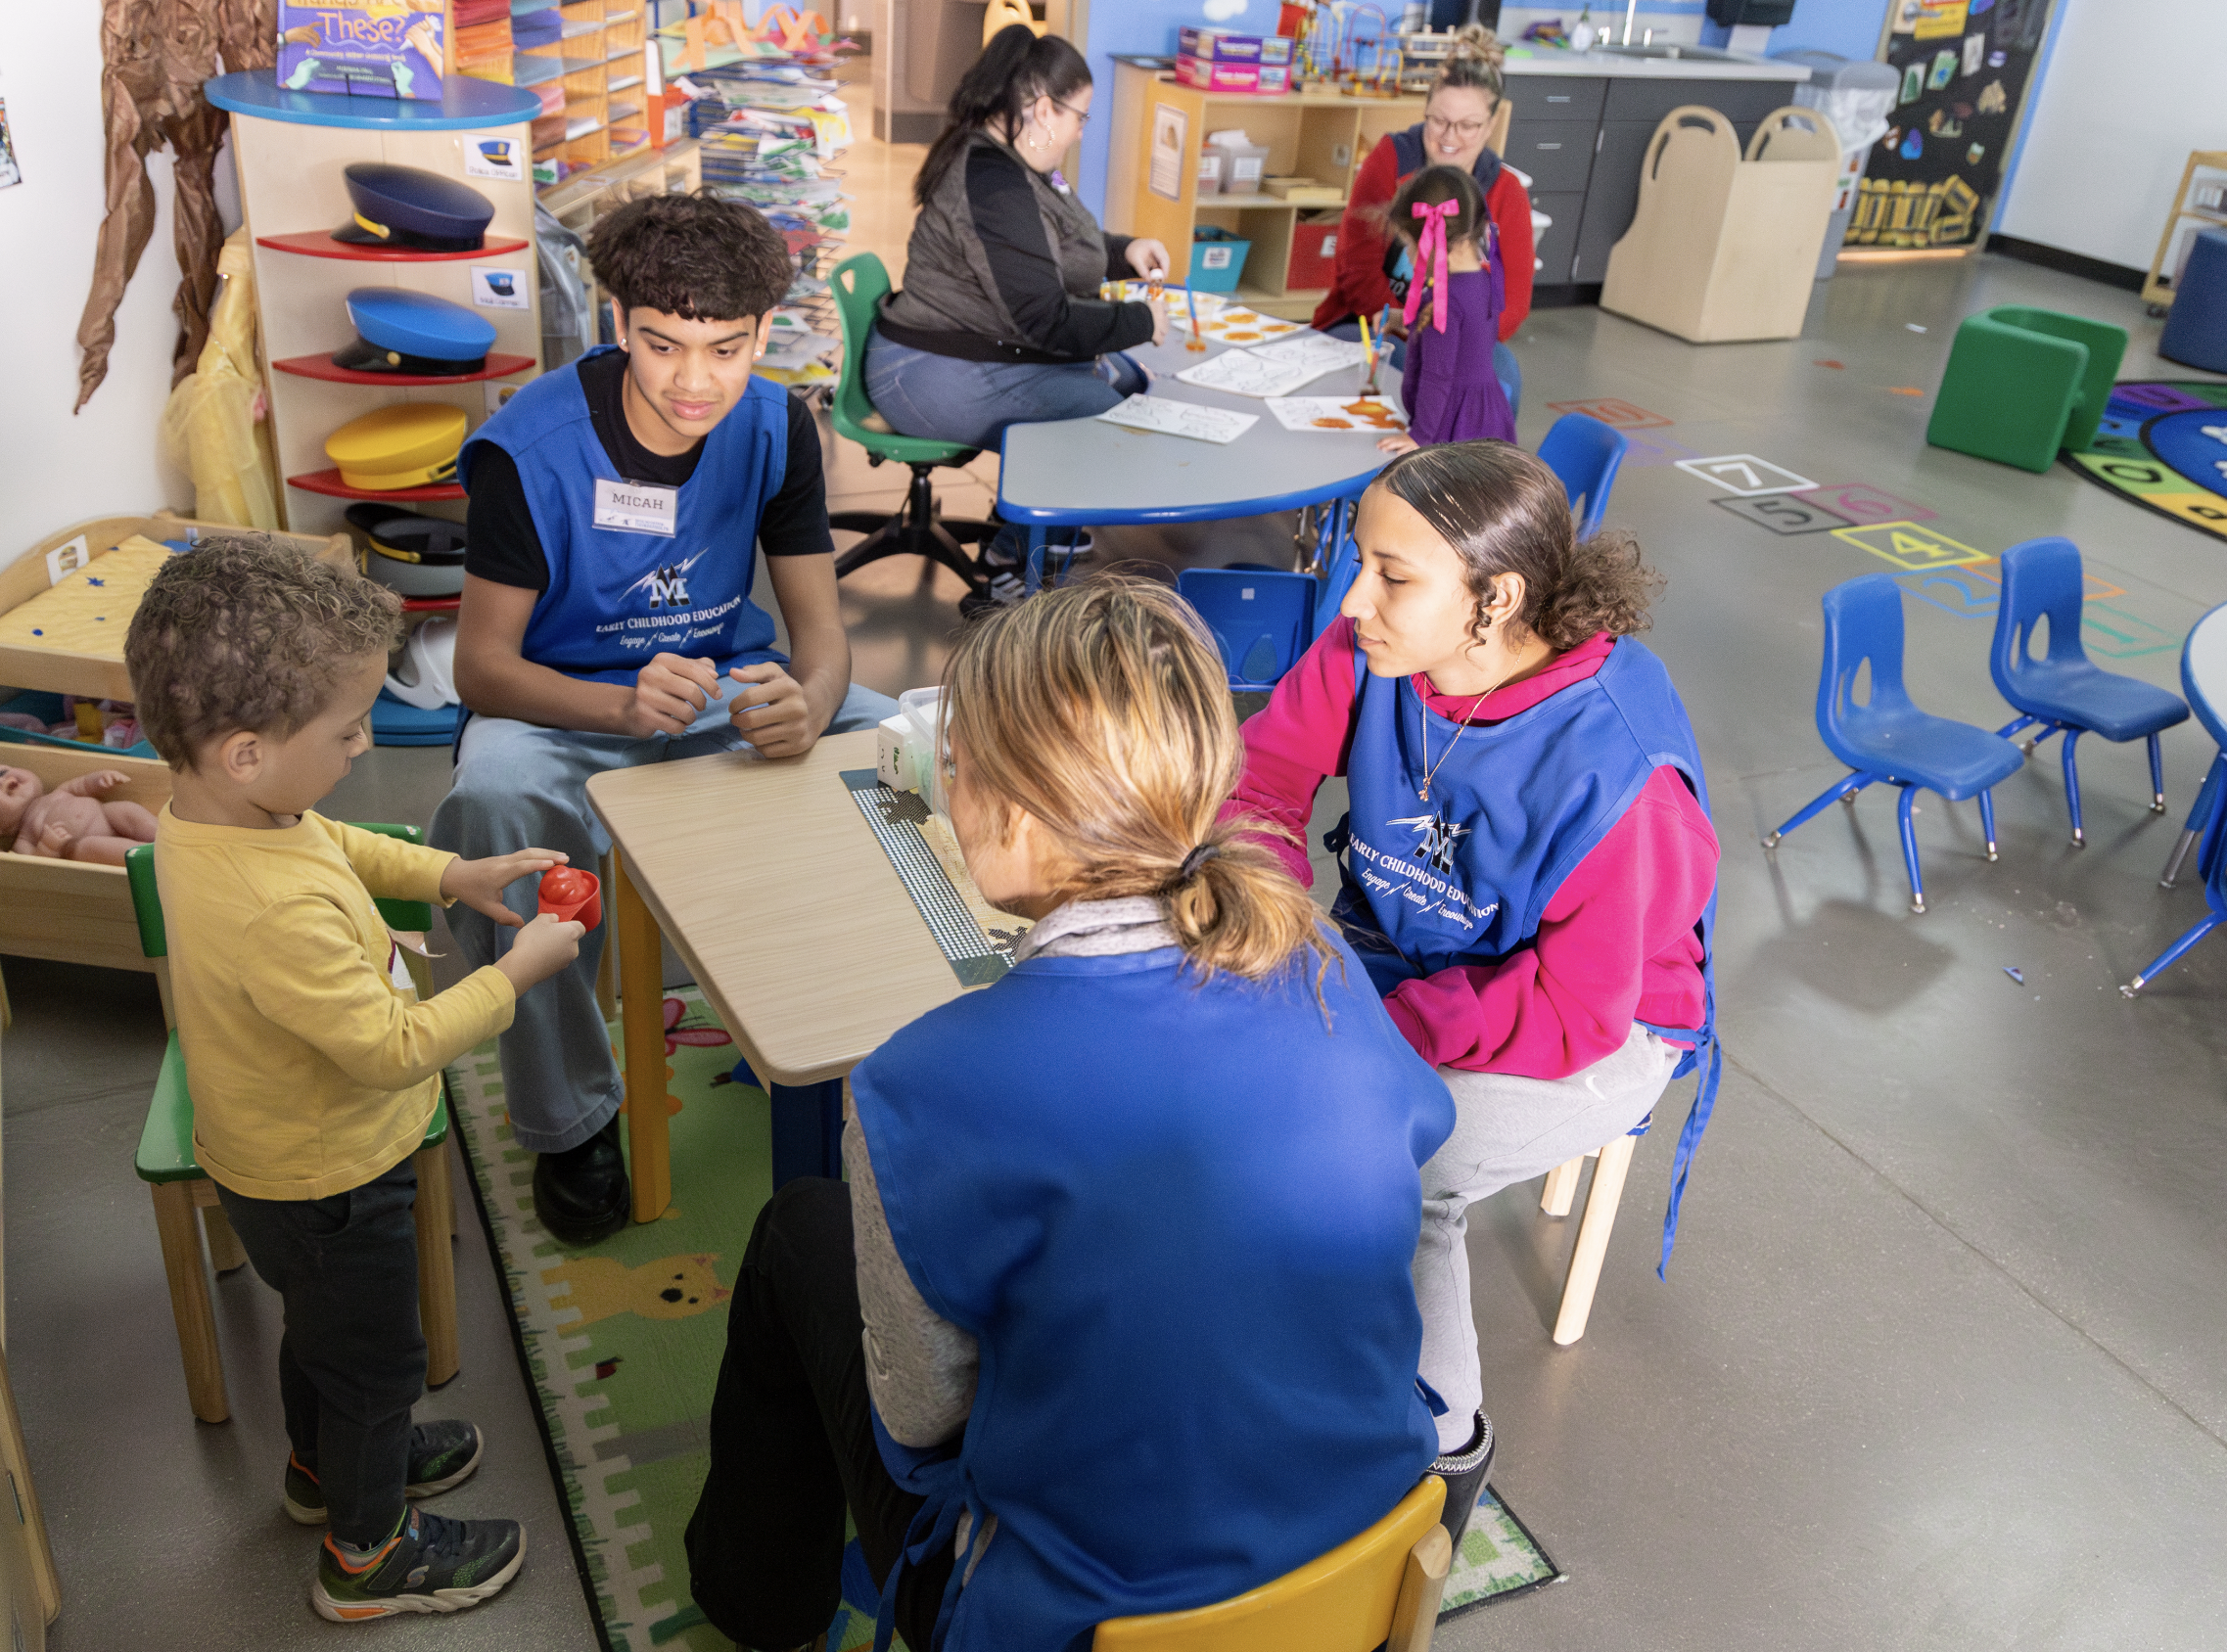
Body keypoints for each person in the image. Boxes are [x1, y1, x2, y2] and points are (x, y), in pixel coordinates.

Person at [683, 578, 1458, 1652]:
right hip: (1362, 1557)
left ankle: (758, 1613)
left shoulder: (920, 1081)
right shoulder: (1317, 958)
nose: (947, 784)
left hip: (1072, 1619)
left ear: (1020, 811)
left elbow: (919, 1426)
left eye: (956, 761)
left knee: (794, 1236)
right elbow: (1415, 1134)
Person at [1225, 441, 1722, 1515]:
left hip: (1601, 1027)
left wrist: (1374, 1024)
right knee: (1212, 1049)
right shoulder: (1374, 647)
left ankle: (1440, 1457)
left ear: (1495, 598)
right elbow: (1263, 781)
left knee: (1400, 1164)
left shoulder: (1615, 768)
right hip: (1406, 963)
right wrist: (1271, 912)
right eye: (1361, 560)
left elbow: (1571, 1009)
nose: (1356, 598)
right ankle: (1274, 1328)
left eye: (1394, 575)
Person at [126, 536, 588, 1623]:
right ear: (245, 750)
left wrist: (451, 872)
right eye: (346, 731)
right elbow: (391, 1048)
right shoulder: (272, 908)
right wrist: (516, 971)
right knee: (380, 1366)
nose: (365, 744)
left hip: (271, 1163)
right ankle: (368, 1555)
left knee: (320, 1331)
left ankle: (317, 1467)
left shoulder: (220, 813)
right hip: (333, 1173)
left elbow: (332, 841)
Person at [430, 191, 898, 1246]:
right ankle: (568, 1120)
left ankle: (860, 1030)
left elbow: (822, 641)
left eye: (726, 349)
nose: (696, 381)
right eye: (662, 344)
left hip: (718, 690)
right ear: (616, 321)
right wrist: (615, 704)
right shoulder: (527, 451)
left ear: (764, 335)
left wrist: (808, 701)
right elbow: (481, 669)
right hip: (558, 703)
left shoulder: (779, 426)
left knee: (906, 741)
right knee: (498, 799)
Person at [862, 24, 1171, 613]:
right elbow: (1045, 321)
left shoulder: (1015, 160)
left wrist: (1124, 252)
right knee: (1103, 414)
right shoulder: (992, 180)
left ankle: (1039, 523)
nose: (1083, 130)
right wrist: (1140, 320)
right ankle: (1008, 562)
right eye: (1080, 116)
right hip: (925, 368)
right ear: (1043, 110)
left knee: (1125, 379)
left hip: (963, 348)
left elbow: (1054, 249)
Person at [1314, 28, 1530, 411]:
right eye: (1439, 121)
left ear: (1491, 125)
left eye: (1468, 125)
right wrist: (1416, 325)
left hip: (1465, 337)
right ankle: (1418, 461)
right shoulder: (1390, 161)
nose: (1450, 137)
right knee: (1411, 366)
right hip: (1372, 323)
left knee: (1503, 372)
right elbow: (1357, 273)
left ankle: (1476, 468)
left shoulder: (1506, 191)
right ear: (1425, 111)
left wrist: (1455, 335)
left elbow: (1511, 303)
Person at [1377, 166, 1516, 451]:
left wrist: (1419, 437)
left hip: (1453, 428)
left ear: (1434, 240)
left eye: (1408, 243)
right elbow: (1463, 344)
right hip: (1485, 415)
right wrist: (1401, 320)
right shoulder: (1482, 280)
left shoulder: (1445, 301)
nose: (1406, 253)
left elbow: (1437, 375)